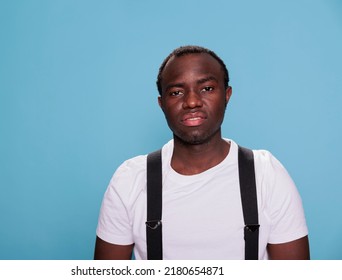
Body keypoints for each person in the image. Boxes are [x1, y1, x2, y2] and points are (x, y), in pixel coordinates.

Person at [94, 45, 310, 260]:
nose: (192, 102)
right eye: (176, 92)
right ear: (162, 104)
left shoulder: (266, 174)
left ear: (227, 95)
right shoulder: (130, 179)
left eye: (206, 88)